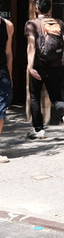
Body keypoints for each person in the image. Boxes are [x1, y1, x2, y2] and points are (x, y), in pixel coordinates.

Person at [25, 0, 64, 140]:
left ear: (36, 9)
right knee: (56, 98)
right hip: (55, 66)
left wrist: (30, 67)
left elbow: (31, 46)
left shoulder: (32, 24)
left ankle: (39, 130)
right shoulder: (59, 23)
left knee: (35, 97)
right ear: (49, 9)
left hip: (38, 66)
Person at [0, 14, 13, 162]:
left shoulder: (8, 25)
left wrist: (10, 77)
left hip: (2, 74)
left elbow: (8, 53)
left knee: (0, 112)